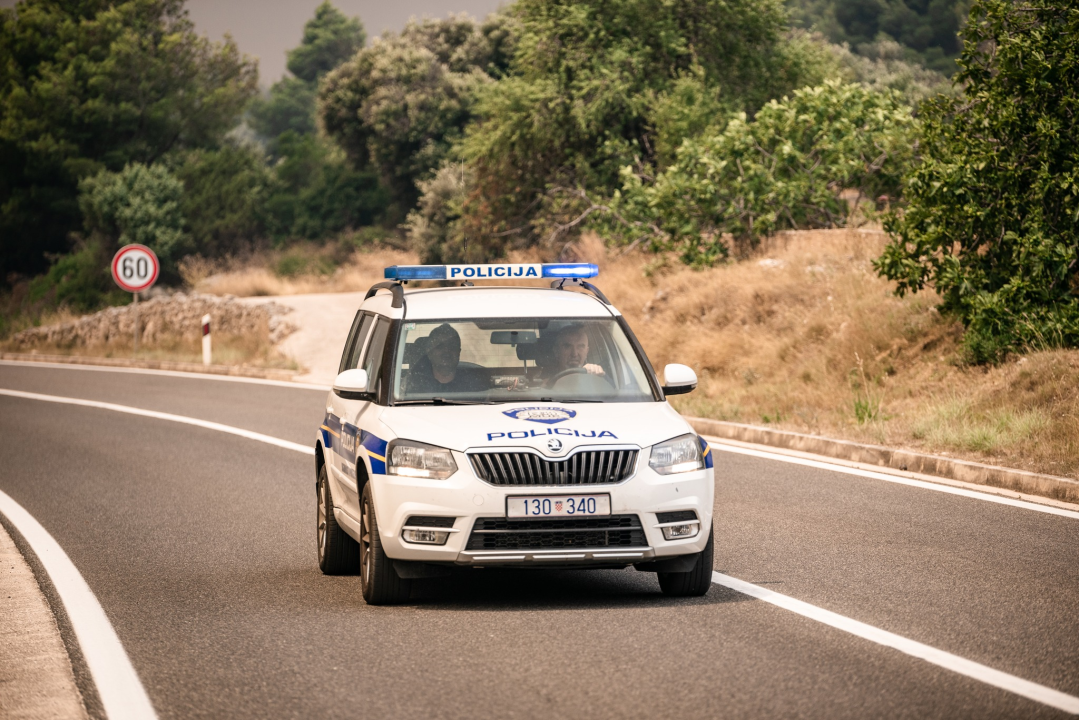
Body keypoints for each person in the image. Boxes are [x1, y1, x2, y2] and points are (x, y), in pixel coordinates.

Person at [406, 323, 485, 395]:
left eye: (452, 346)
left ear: (458, 352)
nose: (447, 351)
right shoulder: (414, 385)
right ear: (429, 352)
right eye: (440, 346)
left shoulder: (474, 386)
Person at [541, 324, 605, 384]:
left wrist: (597, 373)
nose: (574, 354)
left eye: (580, 346)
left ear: (587, 351)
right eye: (567, 346)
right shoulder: (543, 384)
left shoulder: (595, 377)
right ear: (556, 351)